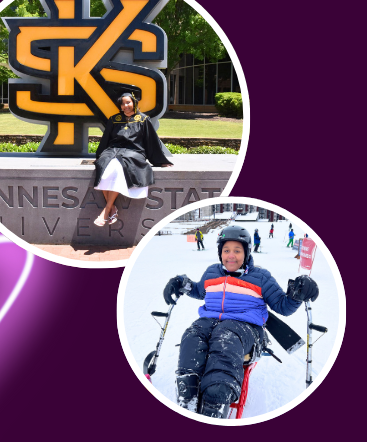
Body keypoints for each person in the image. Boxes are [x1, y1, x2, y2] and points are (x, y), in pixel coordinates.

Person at [162, 225, 318, 418]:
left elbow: (282, 306)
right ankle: (188, 394)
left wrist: (297, 294)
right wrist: (180, 283)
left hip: (245, 328)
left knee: (225, 336)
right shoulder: (212, 272)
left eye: (237, 251)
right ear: (220, 253)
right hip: (209, 320)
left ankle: (216, 400)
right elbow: (199, 290)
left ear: (247, 252)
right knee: (193, 334)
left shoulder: (260, 277)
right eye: (226, 250)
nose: (231, 256)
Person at [92, 92, 173, 227]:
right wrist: (100, 155)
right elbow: (106, 139)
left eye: (128, 102)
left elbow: (151, 141)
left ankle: (106, 211)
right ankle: (112, 208)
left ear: (134, 103)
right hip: (113, 150)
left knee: (118, 168)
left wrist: (160, 160)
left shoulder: (143, 119)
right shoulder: (114, 119)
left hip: (134, 152)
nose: (126, 106)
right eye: (123, 104)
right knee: (104, 166)